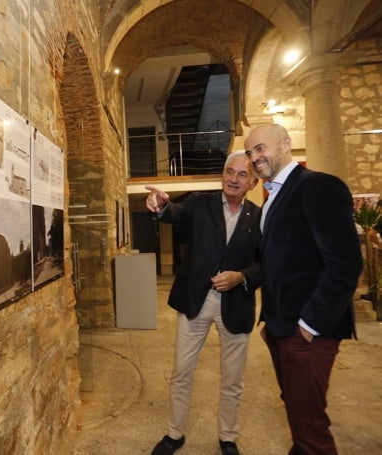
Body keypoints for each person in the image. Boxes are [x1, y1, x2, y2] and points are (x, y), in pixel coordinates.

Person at [244, 123, 363, 455]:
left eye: (261, 148)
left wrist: (308, 327)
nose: (255, 158)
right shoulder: (272, 198)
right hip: (281, 326)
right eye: (250, 152)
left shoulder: (318, 187)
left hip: (309, 330)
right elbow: (276, 262)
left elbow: (345, 264)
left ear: (286, 144)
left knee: (310, 428)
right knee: (299, 415)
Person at [145, 151, 262, 455]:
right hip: (196, 300)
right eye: (229, 172)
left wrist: (241, 276)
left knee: (233, 378)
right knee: (182, 371)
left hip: (236, 305)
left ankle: (227, 437)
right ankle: (174, 434)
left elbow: (267, 264)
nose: (233, 179)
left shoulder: (260, 217)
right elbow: (174, 213)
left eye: (241, 174)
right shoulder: (200, 203)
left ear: (253, 182)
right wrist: (160, 206)